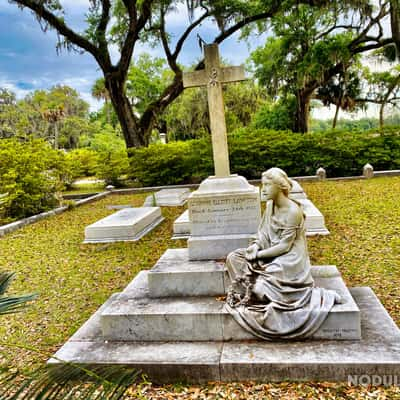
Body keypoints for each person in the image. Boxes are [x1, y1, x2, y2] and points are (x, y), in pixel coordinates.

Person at [225, 167, 341, 340]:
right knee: (233, 258)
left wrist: (258, 256)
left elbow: (285, 247)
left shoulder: (293, 212)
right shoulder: (270, 205)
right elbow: (263, 233)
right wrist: (256, 247)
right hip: (267, 252)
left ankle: (265, 291)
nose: (262, 189)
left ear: (279, 187)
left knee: (265, 281)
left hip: (290, 259)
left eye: (266, 185)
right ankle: (253, 291)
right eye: (262, 185)